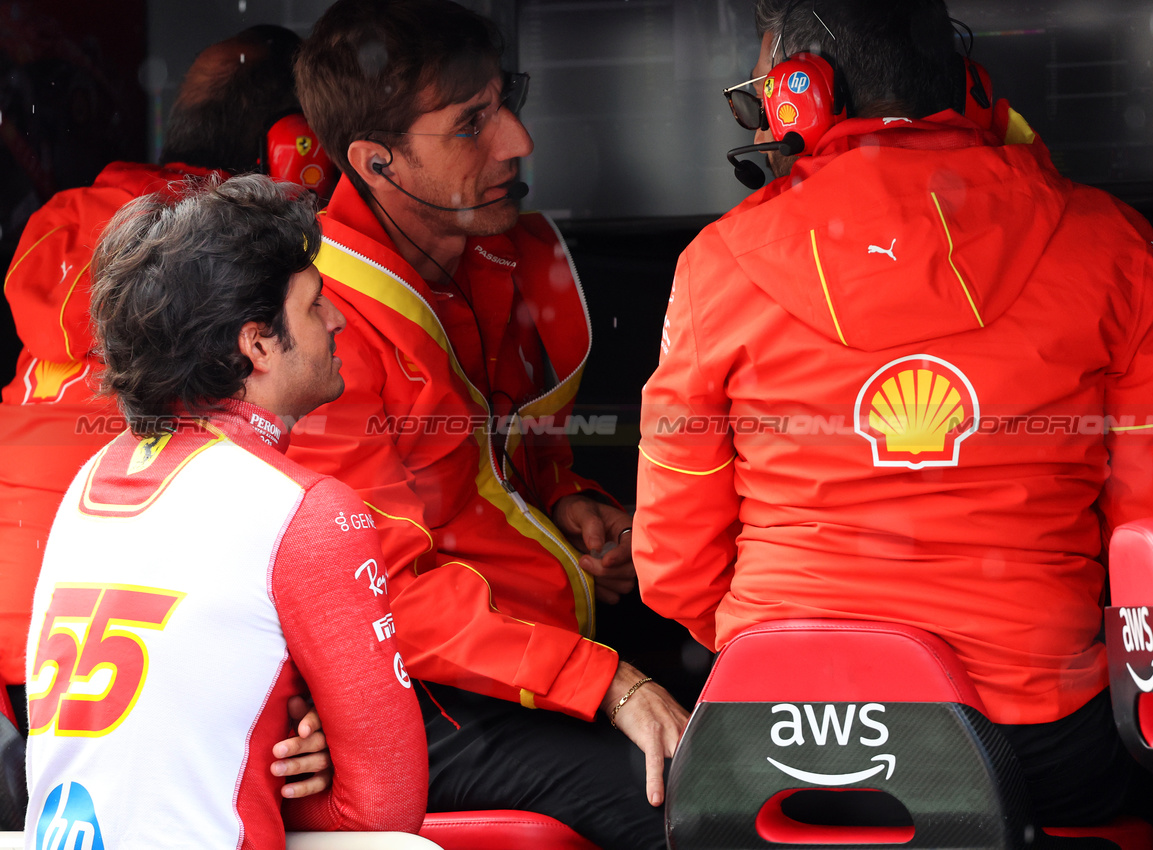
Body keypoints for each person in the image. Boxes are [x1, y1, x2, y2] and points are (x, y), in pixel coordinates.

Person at [633, 0, 1153, 841]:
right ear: (967, 81)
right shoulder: (1112, 246)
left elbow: (673, 562)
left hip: (774, 730)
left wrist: (794, 650)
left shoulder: (714, 266)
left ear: (802, 94)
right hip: (1032, 735)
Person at [291, 2, 686, 846]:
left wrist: (570, 507)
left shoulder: (487, 254)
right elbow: (382, 593)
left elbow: (501, 465)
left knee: (746, 686)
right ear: (376, 162)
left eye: (508, 100)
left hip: (528, 646)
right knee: (674, 802)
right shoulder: (326, 331)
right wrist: (609, 684)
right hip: (419, 691)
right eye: (471, 122)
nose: (517, 140)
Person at [24, 174, 428, 849]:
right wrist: (288, 778)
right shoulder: (301, 510)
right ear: (257, 345)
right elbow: (384, 808)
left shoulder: (90, 480)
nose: (337, 321)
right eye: (315, 304)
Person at [0, 28, 335, 790]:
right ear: (297, 148)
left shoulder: (69, 229)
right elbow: (327, 534)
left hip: (30, 683)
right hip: (142, 682)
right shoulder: (262, 285)